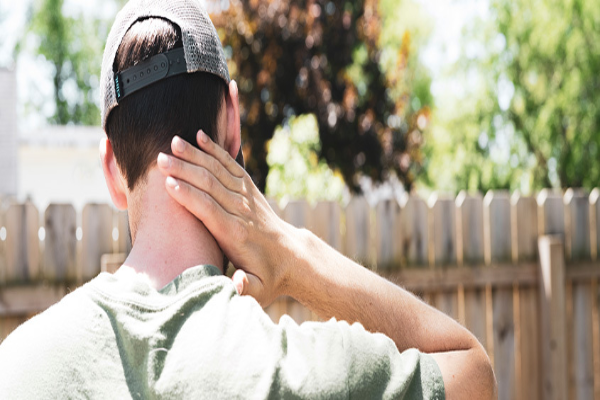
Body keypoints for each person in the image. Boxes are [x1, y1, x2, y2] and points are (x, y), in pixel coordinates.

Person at [0, 0, 496, 398]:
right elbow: (472, 371)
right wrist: (289, 253)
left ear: (111, 165)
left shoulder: (18, 368)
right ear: (232, 124)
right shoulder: (306, 371)